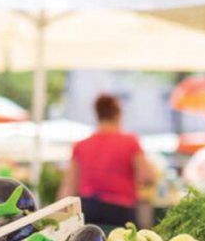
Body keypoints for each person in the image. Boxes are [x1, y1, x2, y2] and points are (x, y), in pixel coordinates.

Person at [58, 94, 154, 226]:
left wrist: (60, 216)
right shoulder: (130, 142)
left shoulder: (81, 145)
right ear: (118, 115)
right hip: (121, 211)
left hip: (88, 209)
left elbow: (69, 185)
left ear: (97, 115)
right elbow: (147, 176)